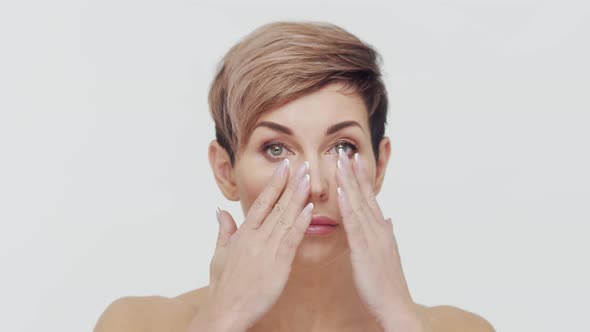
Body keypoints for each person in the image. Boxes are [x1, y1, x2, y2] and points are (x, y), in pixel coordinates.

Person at [93, 21, 495, 332]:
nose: (316, 186)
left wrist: (399, 318)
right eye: (276, 149)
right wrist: (221, 320)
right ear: (225, 170)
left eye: (342, 147)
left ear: (380, 165)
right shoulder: (138, 323)